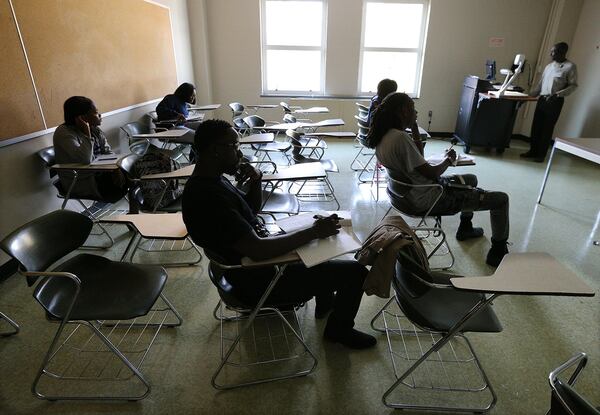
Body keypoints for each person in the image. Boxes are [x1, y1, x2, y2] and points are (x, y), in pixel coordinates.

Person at [182, 119, 376, 349]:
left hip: (249, 266)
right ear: (215, 150)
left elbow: (249, 213)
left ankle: (326, 303)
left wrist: (255, 182)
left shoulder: (210, 181)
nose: (239, 152)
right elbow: (259, 250)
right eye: (234, 146)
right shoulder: (209, 197)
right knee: (355, 272)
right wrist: (312, 232)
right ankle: (339, 331)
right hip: (258, 280)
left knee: (321, 246)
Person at [367, 92, 510, 267]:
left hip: (405, 197)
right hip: (429, 199)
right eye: (413, 108)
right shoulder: (400, 138)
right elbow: (432, 173)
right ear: (404, 110)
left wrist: (414, 129)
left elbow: (419, 157)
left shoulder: (384, 136)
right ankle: (498, 250)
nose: (416, 112)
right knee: (501, 199)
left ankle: (465, 227)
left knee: (471, 179)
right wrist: (448, 160)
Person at [53, 96, 128, 203]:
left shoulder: (95, 130)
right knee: (134, 176)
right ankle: (149, 205)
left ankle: (141, 208)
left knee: (132, 169)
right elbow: (85, 160)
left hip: (102, 174)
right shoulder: (64, 133)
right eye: (96, 113)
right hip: (81, 180)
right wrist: (87, 134)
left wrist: (117, 168)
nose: (100, 115)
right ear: (82, 118)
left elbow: (108, 153)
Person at [521, 42, 578, 162]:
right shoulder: (549, 66)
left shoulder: (570, 67)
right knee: (536, 126)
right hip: (542, 99)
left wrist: (558, 94)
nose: (551, 54)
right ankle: (533, 151)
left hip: (554, 101)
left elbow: (573, 86)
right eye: (551, 51)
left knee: (546, 128)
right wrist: (526, 98)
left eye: (554, 52)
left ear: (563, 52)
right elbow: (539, 86)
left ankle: (541, 155)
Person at [156, 82, 200, 161]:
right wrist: (176, 114)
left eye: (194, 96)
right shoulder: (171, 98)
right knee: (199, 137)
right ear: (185, 93)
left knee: (204, 127)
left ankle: (197, 158)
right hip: (170, 128)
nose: (193, 98)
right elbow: (159, 109)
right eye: (192, 95)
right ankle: (195, 161)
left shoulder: (183, 102)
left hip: (181, 125)